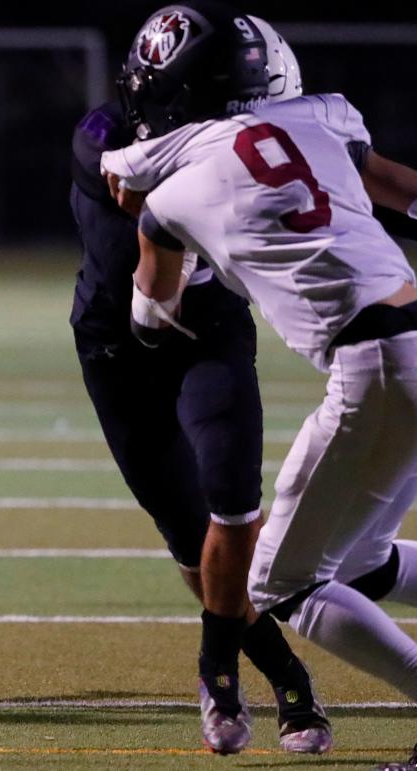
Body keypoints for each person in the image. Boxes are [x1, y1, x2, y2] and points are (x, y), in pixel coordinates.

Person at [100, 0, 417, 762]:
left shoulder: (169, 195)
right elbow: (403, 191)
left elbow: (151, 315)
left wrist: (171, 250)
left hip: (377, 367)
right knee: (365, 562)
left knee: (285, 584)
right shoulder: (318, 125)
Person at [69, 15, 329, 757]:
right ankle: (283, 668)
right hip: (120, 348)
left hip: (206, 329)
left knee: (233, 500)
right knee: (191, 541)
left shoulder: (231, 137)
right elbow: (139, 192)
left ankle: (231, 677)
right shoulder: (101, 138)